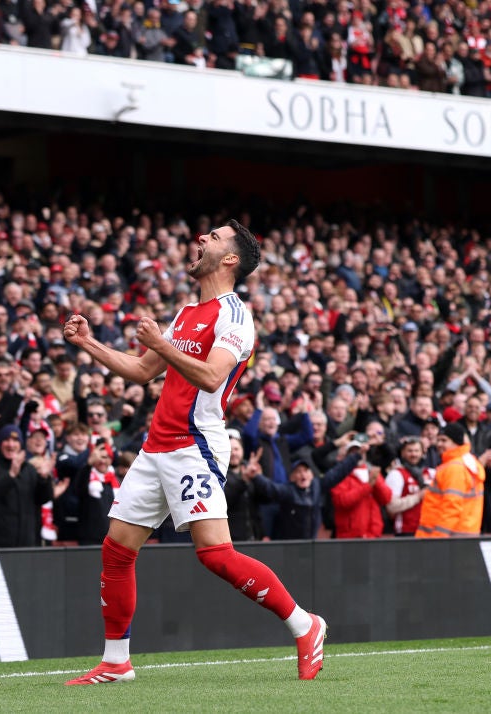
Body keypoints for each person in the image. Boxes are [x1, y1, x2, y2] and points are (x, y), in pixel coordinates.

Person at [63, 221, 327, 685]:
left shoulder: (235, 316)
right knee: (117, 550)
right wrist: (88, 343)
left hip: (195, 446)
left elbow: (211, 377)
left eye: (214, 237)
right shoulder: (187, 311)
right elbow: (143, 370)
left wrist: (162, 344)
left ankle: (305, 625)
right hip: (156, 447)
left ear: (231, 259)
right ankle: (116, 662)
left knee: (215, 554)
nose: (202, 238)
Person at [0, 424, 53, 547]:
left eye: (15, 440)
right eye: (6, 440)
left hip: (25, 544)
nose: (11, 445)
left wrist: (44, 479)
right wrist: (10, 475)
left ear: (21, 444)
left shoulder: (29, 469)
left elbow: (42, 499)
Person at [415, 423, 486, 538]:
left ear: (456, 442)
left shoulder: (454, 468)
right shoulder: (467, 462)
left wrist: (438, 538)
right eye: (438, 440)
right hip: (463, 534)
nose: (439, 444)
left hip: (449, 537)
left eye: (444, 440)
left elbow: (451, 507)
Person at [383, 435, 430, 536]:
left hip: (426, 529)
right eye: (410, 451)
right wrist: (418, 497)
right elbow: (391, 506)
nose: (414, 454)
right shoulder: (396, 474)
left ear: (422, 453)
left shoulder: (428, 473)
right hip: (405, 531)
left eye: (417, 451)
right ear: (403, 453)